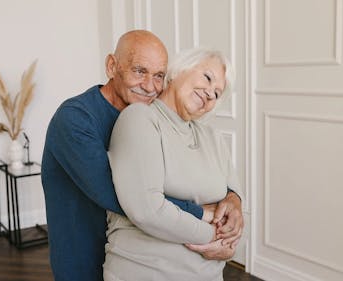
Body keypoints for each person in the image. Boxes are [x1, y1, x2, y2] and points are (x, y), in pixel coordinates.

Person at [41, 30, 243, 281]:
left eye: (159, 75)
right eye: (139, 71)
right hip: (83, 255)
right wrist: (205, 217)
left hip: (134, 248)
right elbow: (124, 197)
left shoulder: (153, 115)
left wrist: (233, 199)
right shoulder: (75, 118)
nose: (150, 86)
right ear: (112, 66)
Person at [104, 47, 242, 281]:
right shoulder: (140, 118)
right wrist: (218, 240)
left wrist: (234, 204)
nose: (210, 93)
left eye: (217, 93)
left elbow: (235, 197)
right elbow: (147, 210)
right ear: (179, 70)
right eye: (207, 78)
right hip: (148, 271)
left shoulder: (212, 137)